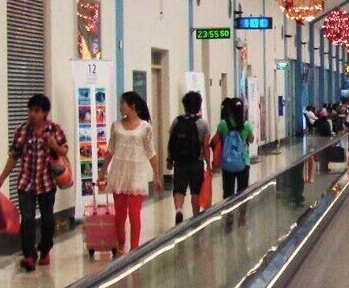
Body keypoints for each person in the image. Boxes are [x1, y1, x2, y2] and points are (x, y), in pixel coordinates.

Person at [0, 93, 69, 272]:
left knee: (47, 219)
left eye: (36, 111)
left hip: (47, 182)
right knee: (27, 219)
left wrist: (53, 146)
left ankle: (45, 250)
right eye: (30, 110)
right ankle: (29, 255)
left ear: (45, 113)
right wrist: (1, 179)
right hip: (25, 183)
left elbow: (64, 150)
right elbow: (14, 156)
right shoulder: (21, 131)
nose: (32, 114)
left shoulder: (54, 130)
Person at [98, 91, 161, 255]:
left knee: (134, 213)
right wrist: (102, 173)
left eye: (122, 103)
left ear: (132, 105)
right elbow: (110, 150)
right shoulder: (116, 126)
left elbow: (151, 152)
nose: (120, 107)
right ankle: (120, 244)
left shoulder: (145, 127)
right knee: (120, 214)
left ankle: (134, 248)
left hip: (136, 174)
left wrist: (157, 176)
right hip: (119, 174)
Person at [167, 91, 210, 225]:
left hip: (180, 162)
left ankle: (179, 210)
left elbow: (171, 142)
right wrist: (208, 164)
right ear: (198, 106)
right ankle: (196, 217)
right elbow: (205, 146)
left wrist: (169, 159)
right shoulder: (203, 124)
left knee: (179, 189)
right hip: (196, 162)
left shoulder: (177, 121)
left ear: (184, 105)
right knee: (195, 190)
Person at [215, 98, 254, 198]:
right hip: (243, 162)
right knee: (243, 193)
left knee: (228, 192)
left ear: (229, 110)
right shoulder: (247, 125)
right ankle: (242, 213)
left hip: (227, 162)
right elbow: (251, 140)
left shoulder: (223, 124)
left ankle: (229, 213)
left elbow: (215, 140)